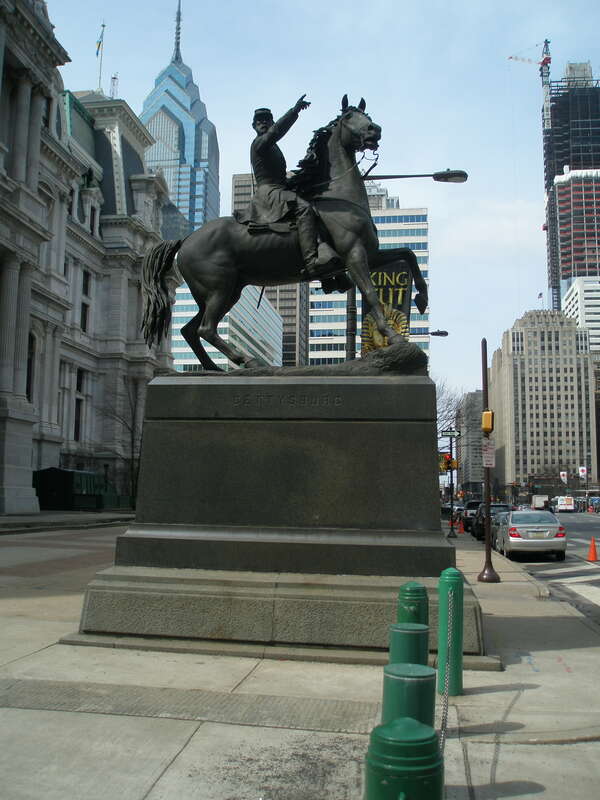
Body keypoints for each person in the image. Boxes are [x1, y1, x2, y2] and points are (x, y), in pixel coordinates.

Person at [237, 95, 337, 279]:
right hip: (270, 192)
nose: (263, 123)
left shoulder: (273, 148)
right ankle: (311, 263)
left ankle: (331, 272)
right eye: (259, 121)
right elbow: (276, 132)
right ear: (254, 126)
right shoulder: (260, 143)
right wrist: (294, 111)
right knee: (305, 209)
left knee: (316, 206)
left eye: (266, 120)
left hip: (281, 189)